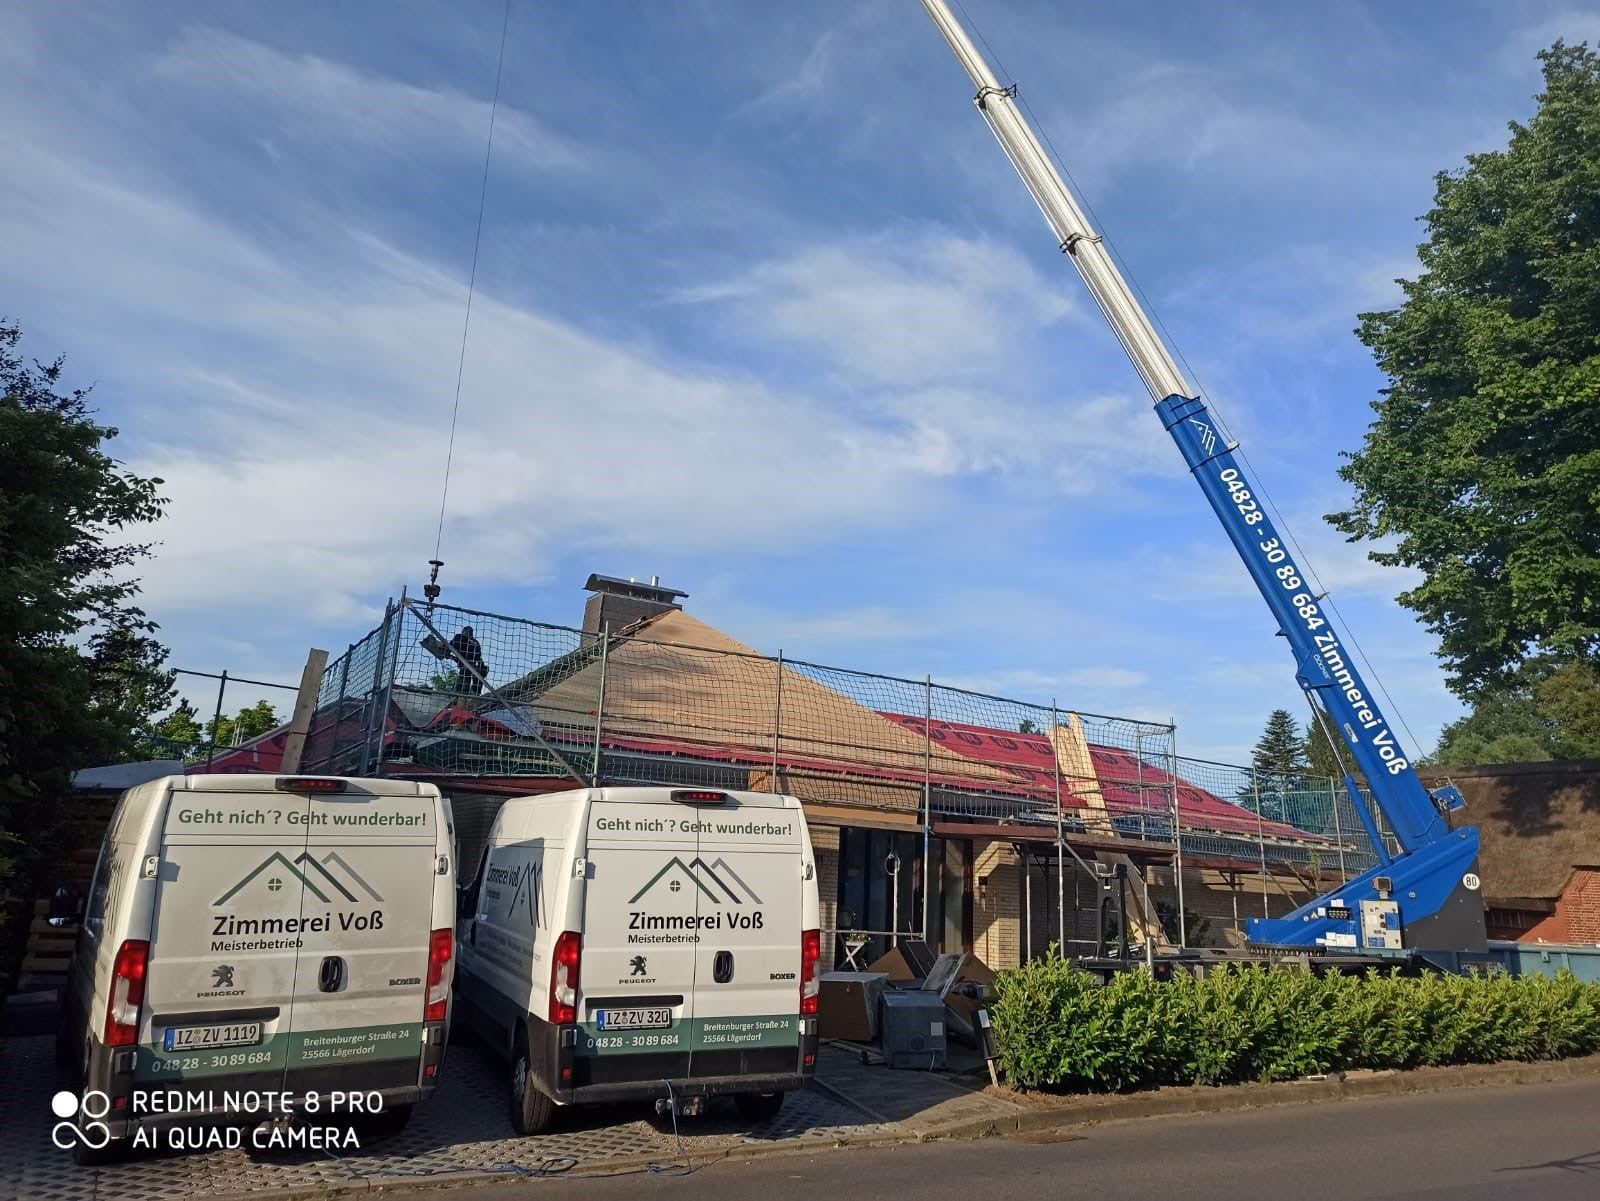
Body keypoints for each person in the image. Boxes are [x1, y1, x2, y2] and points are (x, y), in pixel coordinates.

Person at [449, 625, 488, 695]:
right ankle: (474, 693)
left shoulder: (459, 638)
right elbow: (478, 656)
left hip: (468, 665)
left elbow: (449, 647)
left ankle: (463, 693)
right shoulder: (476, 642)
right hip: (477, 665)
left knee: (464, 682)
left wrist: (449, 655)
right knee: (476, 681)